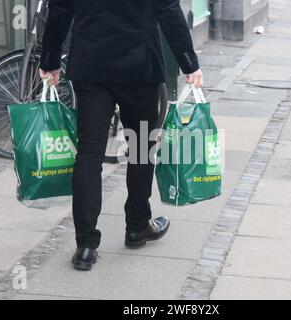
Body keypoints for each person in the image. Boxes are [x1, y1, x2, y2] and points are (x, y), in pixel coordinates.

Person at [39, 0, 203, 271]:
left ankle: (85, 244)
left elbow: (61, 9)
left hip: (91, 64)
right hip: (139, 65)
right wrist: (189, 62)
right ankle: (137, 226)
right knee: (140, 146)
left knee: (89, 151)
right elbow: (168, 9)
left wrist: (50, 60)